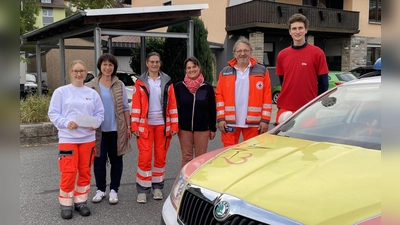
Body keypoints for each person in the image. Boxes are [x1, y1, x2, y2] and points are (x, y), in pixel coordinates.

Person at [48, 60, 104, 219]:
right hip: (68, 138)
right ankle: (66, 203)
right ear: (70, 73)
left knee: (85, 171)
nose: (79, 74)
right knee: (68, 171)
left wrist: (96, 123)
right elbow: (53, 113)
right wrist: (66, 123)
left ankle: (81, 201)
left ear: (86, 73)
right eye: (75, 71)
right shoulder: (61, 92)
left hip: (88, 139)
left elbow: (100, 114)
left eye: (82, 71)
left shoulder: (92, 93)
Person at [131, 52, 178, 203]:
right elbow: (136, 106)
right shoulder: (139, 82)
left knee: (160, 157)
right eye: (152, 62)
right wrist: (134, 125)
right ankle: (143, 190)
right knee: (144, 157)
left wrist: (174, 125)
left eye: (157, 62)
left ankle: (157, 187)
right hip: (145, 125)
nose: (154, 64)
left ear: (160, 63)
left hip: (162, 126)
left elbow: (172, 105)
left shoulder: (167, 81)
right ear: (147, 63)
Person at [85, 53, 132, 205]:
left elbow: (125, 107)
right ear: (100, 66)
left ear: (114, 67)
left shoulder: (120, 85)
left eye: (110, 65)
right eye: (104, 64)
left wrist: (128, 126)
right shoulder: (91, 86)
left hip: (116, 129)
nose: (107, 67)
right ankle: (100, 190)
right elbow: (85, 109)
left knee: (116, 160)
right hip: (97, 131)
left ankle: (114, 190)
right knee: (98, 160)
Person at [215, 36, 272, 147]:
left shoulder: (262, 71)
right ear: (234, 53)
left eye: (246, 50)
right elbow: (219, 97)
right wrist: (221, 118)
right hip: (230, 122)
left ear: (251, 52)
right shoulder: (225, 72)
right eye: (239, 51)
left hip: (254, 123)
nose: (242, 53)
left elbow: (267, 97)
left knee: (253, 154)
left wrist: (265, 120)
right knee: (229, 154)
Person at [275, 13, 329, 124]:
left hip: (308, 108)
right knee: (282, 140)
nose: (297, 31)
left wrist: (315, 104)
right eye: (294, 29)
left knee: (303, 141)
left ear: (306, 30)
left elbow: (324, 84)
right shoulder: (282, 55)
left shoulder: (317, 53)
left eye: (300, 28)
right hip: (285, 106)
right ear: (290, 32)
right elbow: (283, 81)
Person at [174, 56, 217, 168]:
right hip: (184, 129)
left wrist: (212, 128)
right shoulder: (178, 87)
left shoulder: (207, 87)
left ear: (199, 68)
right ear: (185, 70)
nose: (192, 69)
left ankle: (199, 182)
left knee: (201, 158)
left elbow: (212, 108)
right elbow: (173, 108)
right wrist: (173, 125)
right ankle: (185, 183)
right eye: (189, 68)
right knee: (186, 157)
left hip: (202, 129)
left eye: (194, 66)